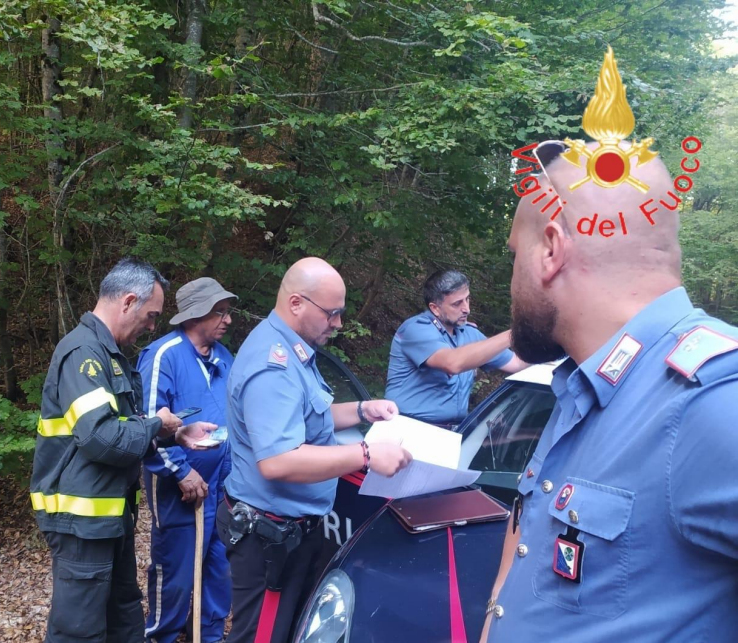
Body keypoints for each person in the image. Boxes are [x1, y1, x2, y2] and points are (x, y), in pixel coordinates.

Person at [485, 51, 738, 642]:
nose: (511, 275)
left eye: (514, 254)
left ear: (550, 250)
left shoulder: (710, 402)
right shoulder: (585, 388)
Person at [216, 257, 413, 643]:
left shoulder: (294, 350)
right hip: (269, 538)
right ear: (296, 303)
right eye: (332, 313)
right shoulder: (272, 366)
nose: (338, 324)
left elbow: (309, 418)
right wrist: (367, 455)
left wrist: (362, 410)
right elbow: (277, 460)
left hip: (292, 531)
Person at [31, 258, 215, 643]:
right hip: (81, 523)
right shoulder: (82, 354)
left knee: (125, 620)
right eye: (151, 316)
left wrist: (175, 434)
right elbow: (102, 438)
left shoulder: (111, 356)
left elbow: (126, 430)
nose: (152, 327)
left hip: (109, 519)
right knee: (80, 630)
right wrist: (156, 424)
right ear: (129, 301)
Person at [138, 278, 237, 643]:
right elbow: (146, 421)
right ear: (194, 314)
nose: (227, 320)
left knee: (219, 568)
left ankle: (207, 636)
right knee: (175, 572)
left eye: (228, 311)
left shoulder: (225, 357)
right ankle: (161, 635)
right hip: (179, 488)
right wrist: (180, 470)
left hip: (222, 487)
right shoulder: (165, 355)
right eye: (218, 312)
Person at [385, 270, 528, 428]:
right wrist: (516, 332)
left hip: (452, 431)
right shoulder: (416, 329)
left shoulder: (469, 333)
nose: (466, 309)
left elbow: (516, 363)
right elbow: (452, 363)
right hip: (408, 427)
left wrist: (556, 350)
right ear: (435, 308)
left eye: (467, 299)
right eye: (457, 303)